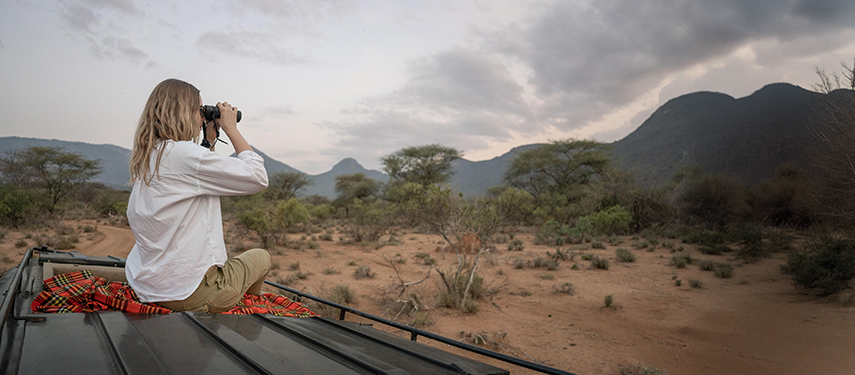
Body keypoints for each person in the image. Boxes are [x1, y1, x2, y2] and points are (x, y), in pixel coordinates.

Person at [126, 78, 270, 313]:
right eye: (199, 110)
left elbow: (197, 176)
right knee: (261, 257)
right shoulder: (184, 154)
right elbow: (257, 177)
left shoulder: (150, 154)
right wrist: (232, 129)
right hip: (191, 293)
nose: (202, 117)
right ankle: (246, 317)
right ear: (183, 112)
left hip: (149, 287)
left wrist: (210, 141)